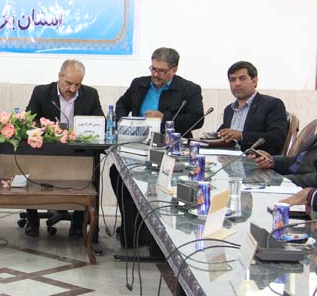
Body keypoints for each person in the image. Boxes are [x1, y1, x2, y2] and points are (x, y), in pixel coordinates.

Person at [111, 47, 204, 248]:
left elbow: (197, 119)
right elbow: (121, 104)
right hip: (138, 146)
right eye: (153, 68)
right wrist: (123, 121)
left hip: (170, 151)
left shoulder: (189, 89)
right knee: (116, 174)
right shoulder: (139, 83)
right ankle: (131, 230)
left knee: (162, 187)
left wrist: (164, 118)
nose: (155, 74)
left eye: (161, 71)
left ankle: (160, 237)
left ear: (174, 69)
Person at [23, 59, 104, 237]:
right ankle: (32, 218)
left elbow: (99, 122)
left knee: (86, 176)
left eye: (77, 84)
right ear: (60, 76)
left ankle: (78, 222)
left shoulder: (90, 94)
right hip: (45, 152)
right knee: (30, 168)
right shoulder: (41, 92)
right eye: (68, 83)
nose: (73, 89)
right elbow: (30, 121)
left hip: (78, 153)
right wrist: (48, 131)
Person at [217, 61, 288, 155]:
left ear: (254, 81)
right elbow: (223, 136)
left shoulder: (272, 104)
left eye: (242, 78)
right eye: (232, 80)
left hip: (255, 161)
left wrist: (242, 136)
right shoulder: (229, 110)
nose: (237, 83)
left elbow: (278, 138)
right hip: (228, 160)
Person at [250, 134, 317, 188]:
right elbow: (296, 162)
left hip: (303, 193)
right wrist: (272, 161)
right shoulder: (313, 139)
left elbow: (313, 180)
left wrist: (280, 179)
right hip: (289, 185)